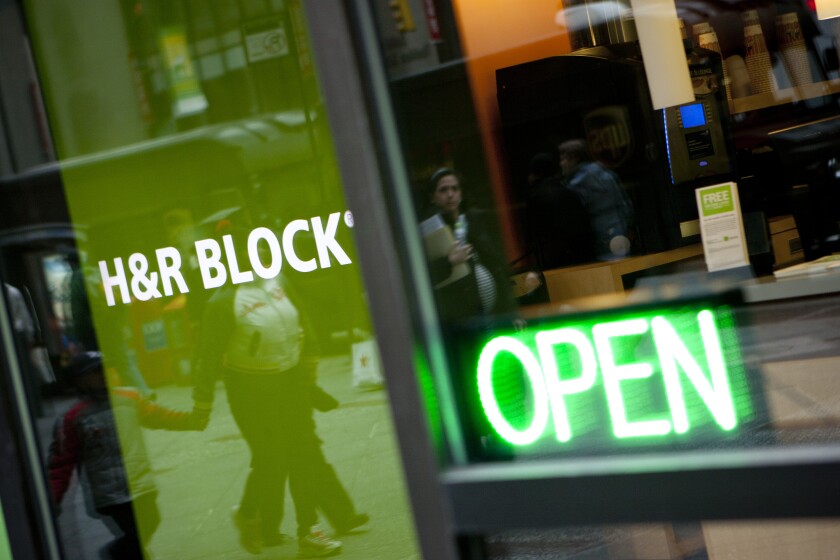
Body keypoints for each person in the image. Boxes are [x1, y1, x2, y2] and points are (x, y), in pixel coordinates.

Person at [190, 259, 368, 557]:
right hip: (250, 389)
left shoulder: (278, 283)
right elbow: (208, 358)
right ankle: (250, 514)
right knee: (271, 459)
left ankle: (309, 532)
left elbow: (302, 324)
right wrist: (201, 404)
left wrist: (309, 377)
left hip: (291, 382)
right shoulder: (222, 302)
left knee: (304, 454)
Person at [47, 351, 202, 560]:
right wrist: (52, 498)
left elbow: (159, 416)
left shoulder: (129, 398)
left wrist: (190, 421)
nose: (102, 375)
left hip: (141, 482)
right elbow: (61, 463)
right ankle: (118, 553)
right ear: (80, 381)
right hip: (110, 492)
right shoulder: (73, 417)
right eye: (94, 372)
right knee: (135, 536)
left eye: (104, 369)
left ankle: (117, 552)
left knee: (151, 522)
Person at [422, 168, 517, 323]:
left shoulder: (475, 220)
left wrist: (512, 311)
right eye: (443, 190)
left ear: (461, 192)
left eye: (455, 188)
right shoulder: (429, 231)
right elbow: (424, 276)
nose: (450, 194)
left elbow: (497, 265)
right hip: (460, 317)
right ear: (433, 197)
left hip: (496, 311)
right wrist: (449, 261)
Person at [558, 139, 634, 260]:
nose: (561, 164)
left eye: (563, 159)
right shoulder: (606, 174)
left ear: (574, 158)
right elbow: (624, 205)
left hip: (598, 239)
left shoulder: (576, 185)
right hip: (619, 232)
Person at [524, 153, 596, 269]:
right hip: (581, 256)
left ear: (536, 173)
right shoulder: (569, 192)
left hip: (555, 261)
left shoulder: (535, 196)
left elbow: (532, 234)